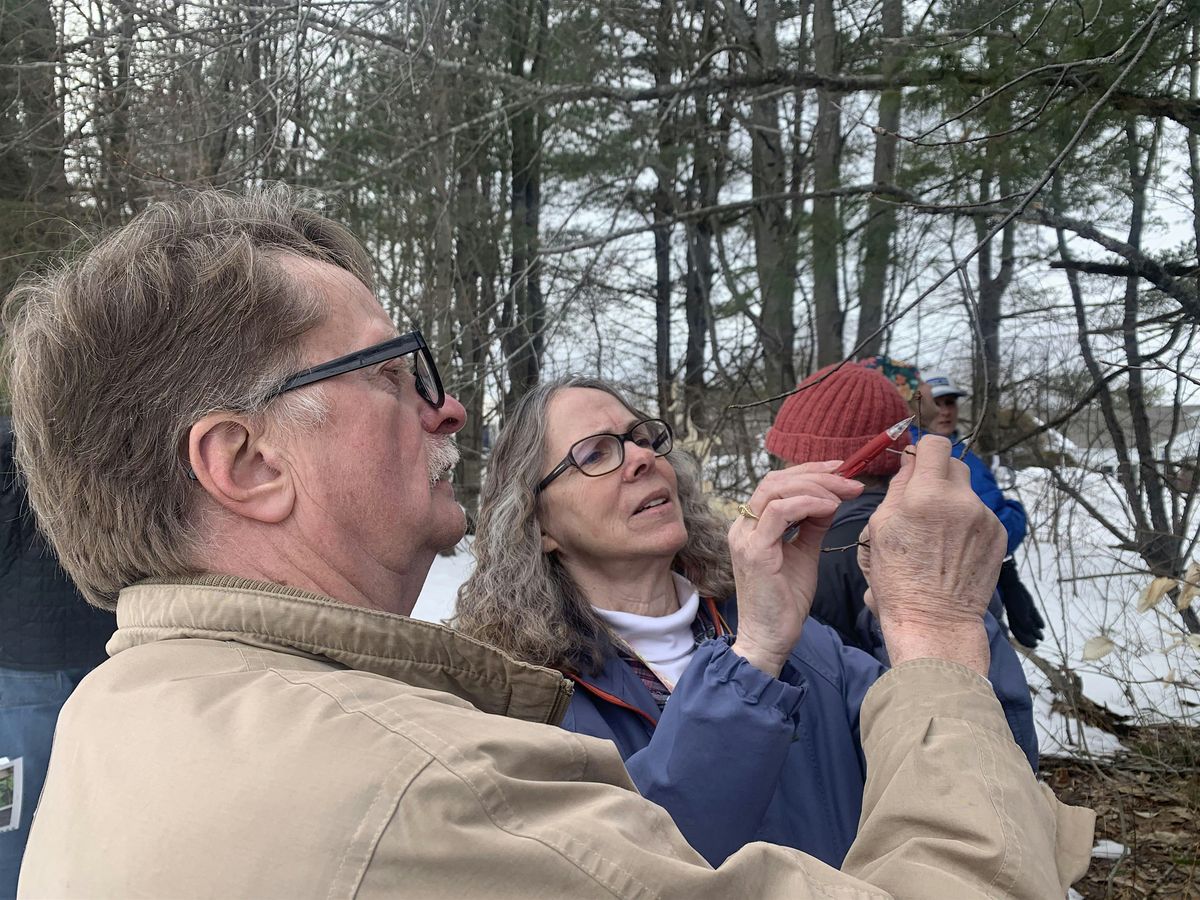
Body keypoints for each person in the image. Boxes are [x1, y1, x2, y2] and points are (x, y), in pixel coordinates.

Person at [6, 188, 1091, 898]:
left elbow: (990, 764)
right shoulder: (451, 756)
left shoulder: (126, 708)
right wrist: (937, 623)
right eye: (394, 371)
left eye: (644, 439)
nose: (449, 410)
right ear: (245, 463)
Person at [454, 375, 1038, 870]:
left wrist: (933, 612)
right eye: (595, 454)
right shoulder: (521, 702)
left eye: (642, 437)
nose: (640, 458)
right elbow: (637, 870)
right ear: (539, 526)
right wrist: (753, 658)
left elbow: (987, 775)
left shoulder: (801, 640)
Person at [764, 363, 1035, 754]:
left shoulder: (829, 555)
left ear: (820, 465)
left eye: (788, 459)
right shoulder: (928, 533)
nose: (781, 472)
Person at [0, 419, 115, 899]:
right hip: (108, 658)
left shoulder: (11, 447)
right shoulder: (116, 439)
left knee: (11, 829)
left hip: (24, 680)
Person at [915, 369, 1045, 648]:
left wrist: (1009, 577)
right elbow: (989, 528)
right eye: (937, 403)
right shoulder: (933, 455)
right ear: (918, 407)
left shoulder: (956, 449)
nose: (945, 410)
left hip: (978, 585)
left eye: (950, 402)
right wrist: (1016, 512)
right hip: (965, 596)